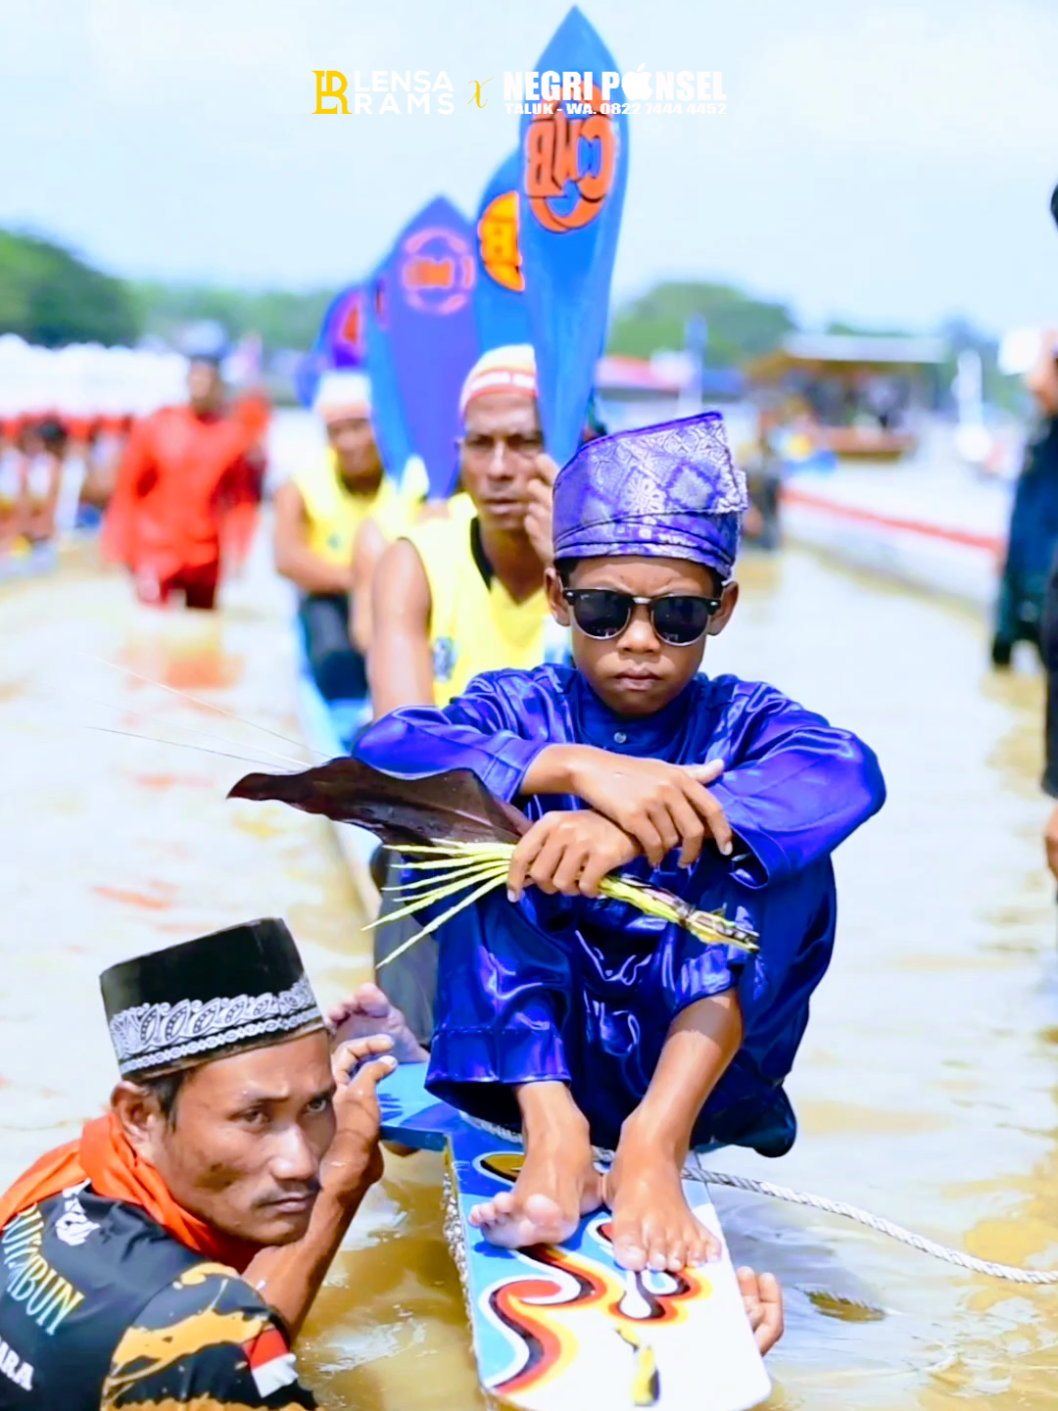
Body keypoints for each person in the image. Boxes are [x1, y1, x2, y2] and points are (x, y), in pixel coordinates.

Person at [354, 411, 885, 1273]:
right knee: (462, 826)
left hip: (683, 1058)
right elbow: (388, 749)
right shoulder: (517, 705)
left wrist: (626, 828)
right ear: (560, 599)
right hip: (528, 1051)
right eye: (605, 609)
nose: (639, 641)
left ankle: (651, 1147)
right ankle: (554, 1132)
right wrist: (564, 767)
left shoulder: (742, 721)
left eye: (676, 615)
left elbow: (851, 772)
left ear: (723, 611)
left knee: (792, 861)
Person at [0, 918, 395, 1408]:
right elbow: (205, 1341)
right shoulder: (193, 1325)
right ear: (140, 1116)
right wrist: (339, 1183)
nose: (299, 1162)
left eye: (315, 1105)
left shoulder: (62, 1179)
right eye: (254, 1116)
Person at [367, 344, 560, 718]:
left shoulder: (613, 565)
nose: (499, 469)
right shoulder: (415, 562)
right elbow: (403, 743)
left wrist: (570, 567)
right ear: (460, 451)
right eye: (480, 444)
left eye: (525, 443)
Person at [274, 370, 408, 701]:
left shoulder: (409, 479)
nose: (349, 442)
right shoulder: (300, 486)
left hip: (401, 597)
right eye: (337, 431)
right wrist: (360, 581)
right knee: (331, 645)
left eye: (359, 427)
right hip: (333, 599)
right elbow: (287, 558)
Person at [102, 357, 264, 611]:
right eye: (196, 379)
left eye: (208, 381)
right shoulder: (156, 426)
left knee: (202, 633)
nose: (200, 387)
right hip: (156, 548)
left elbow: (242, 501)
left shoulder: (233, 436)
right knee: (151, 628)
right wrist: (119, 544)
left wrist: (240, 550)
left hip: (205, 554)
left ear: (219, 387)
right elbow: (128, 490)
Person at [992, 333, 1058, 667]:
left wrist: (1048, 340)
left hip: (1044, 569)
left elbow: (1038, 384)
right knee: (1002, 654)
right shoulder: (1042, 430)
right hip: (1022, 558)